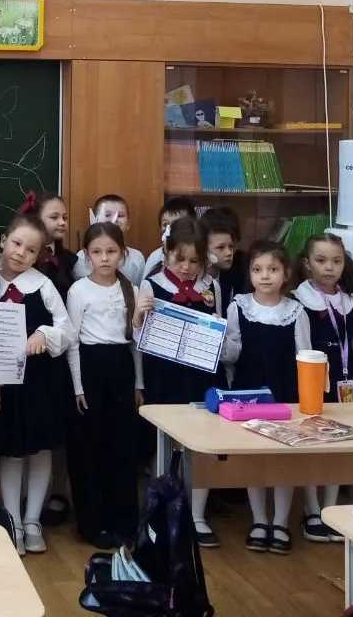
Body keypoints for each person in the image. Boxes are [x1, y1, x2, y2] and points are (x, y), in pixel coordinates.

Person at [133, 216, 223, 548]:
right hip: (163, 376)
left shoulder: (211, 287)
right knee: (164, 443)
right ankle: (162, 510)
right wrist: (139, 316)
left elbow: (219, 334)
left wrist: (217, 328)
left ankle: (196, 515)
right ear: (166, 252)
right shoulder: (151, 285)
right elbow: (138, 340)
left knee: (201, 443)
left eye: (194, 261)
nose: (186, 267)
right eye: (179, 258)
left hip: (200, 375)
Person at [0, 213, 73, 556]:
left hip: (40, 381)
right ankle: (12, 521)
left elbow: (66, 329)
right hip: (3, 382)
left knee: (40, 450)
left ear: (39, 255)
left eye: (31, 249)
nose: (21, 253)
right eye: (16, 243)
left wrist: (43, 334)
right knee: (11, 451)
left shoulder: (43, 285)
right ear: (3, 241)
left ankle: (33, 520)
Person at [223, 240, 311, 555]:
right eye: (258, 269)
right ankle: (260, 520)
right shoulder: (238, 306)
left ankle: (282, 521)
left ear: (285, 274)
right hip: (248, 394)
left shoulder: (296, 311)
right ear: (249, 273)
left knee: (284, 460)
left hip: (285, 395)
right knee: (254, 459)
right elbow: (232, 352)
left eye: (272, 269)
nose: (265, 276)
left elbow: (305, 356)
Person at [66, 222, 141, 548]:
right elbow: (71, 341)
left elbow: (136, 343)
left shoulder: (131, 289)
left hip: (121, 368)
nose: (105, 258)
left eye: (111, 251)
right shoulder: (78, 290)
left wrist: (139, 384)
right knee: (90, 448)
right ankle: (92, 523)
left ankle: (123, 521)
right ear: (87, 255)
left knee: (121, 447)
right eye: (97, 252)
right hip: (90, 367)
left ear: (123, 254)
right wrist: (78, 387)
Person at [294, 232, 353, 542]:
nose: (329, 267)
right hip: (312, 378)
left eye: (336, 261)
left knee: (340, 442)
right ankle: (311, 508)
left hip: (347, 380)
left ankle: (331, 508)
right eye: (321, 260)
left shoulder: (350, 299)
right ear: (307, 263)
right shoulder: (298, 299)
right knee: (311, 442)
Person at [73, 195, 146, 286]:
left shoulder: (137, 258)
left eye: (120, 215)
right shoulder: (82, 257)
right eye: (107, 215)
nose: (114, 219)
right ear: (94, 220)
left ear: (128, 224)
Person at [22, 191, 77, 296]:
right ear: (36, 220)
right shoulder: (20, 256)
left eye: (65, 218)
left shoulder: (71, 260)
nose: (62, 222)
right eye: (54, 217)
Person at [142, 197, 199, 279]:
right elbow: (146, 282)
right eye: (165, 224)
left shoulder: (199, 253)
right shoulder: (155, 256)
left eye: (177, 224)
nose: (170, 229)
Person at [203, 206, 247, 301]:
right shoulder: (192, 276)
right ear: (203, 248)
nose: (229, 253)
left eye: (231, 246)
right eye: (220, 247)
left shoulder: (241, 271)